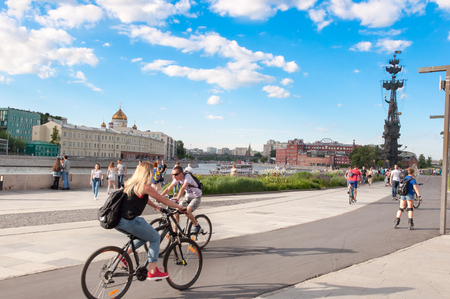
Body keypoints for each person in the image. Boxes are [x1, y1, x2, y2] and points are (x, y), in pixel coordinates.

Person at [116, 161, 186, 280]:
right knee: (155, 238)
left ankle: (122, 257)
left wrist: (156, 207)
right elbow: (163, 199)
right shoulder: (145, 187)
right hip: (129, 220)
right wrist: (180, 207)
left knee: (143, 236)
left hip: (117, 221)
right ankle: (153, 271)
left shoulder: (130, 184)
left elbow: (144, 198)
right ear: (147, 173)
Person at [161, 165, 202, 234]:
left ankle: (197, 225)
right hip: (187, 197)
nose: (174, 176)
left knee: (187, 211)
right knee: (176, 212)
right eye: (173, 174)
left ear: (181, 174)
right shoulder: (177, 179)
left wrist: (177, 199)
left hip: (196, 197)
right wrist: (159, 196)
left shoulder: (188, 177)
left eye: (176, 174)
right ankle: (175, 232)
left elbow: (182, 188)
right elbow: (168, 188)